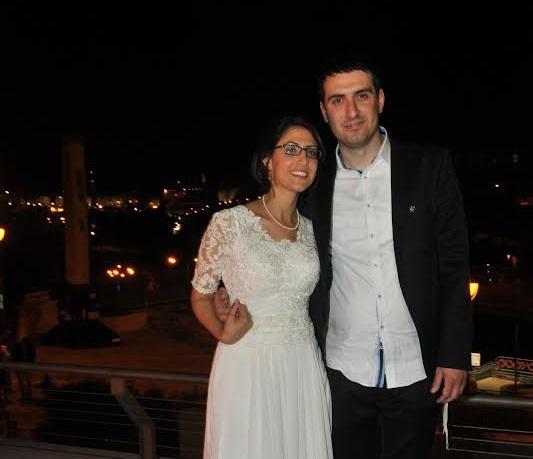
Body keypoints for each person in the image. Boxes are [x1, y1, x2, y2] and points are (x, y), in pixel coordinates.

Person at [216, 56, 473, 459]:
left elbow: (455, 267)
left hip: (415, 368)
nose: (351, 111)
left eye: (361, 96)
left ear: (380, 100)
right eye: (338, 100)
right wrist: (231, 290)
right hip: (339, 371)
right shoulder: (312, 184)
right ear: (324, 111)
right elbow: (272, 238)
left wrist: (454, 355)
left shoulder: (429, 166)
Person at [190, 116, 333, 459]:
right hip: (247, 362)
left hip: (301, 362)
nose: (303, 159)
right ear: (268, 161)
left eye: (311, 152)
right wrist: (223, 333)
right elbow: (200, 296)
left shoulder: (315, 229)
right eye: (292, 149)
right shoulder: (229, 223)